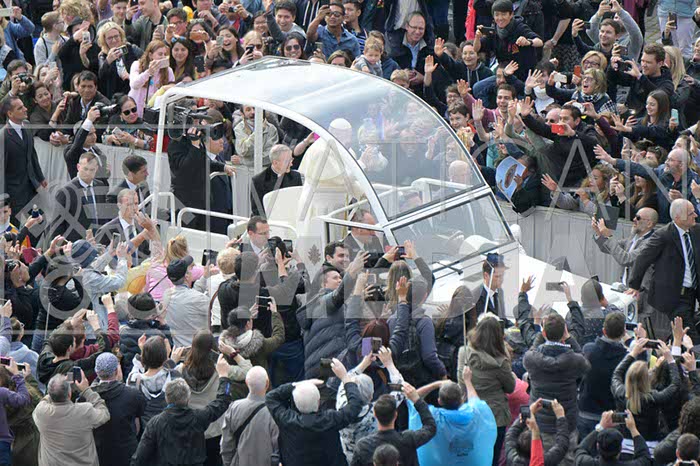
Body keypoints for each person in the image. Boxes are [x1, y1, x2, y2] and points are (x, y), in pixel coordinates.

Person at [131, 355, 233, 465]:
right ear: (188, 398)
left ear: (167, 398)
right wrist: (224, 377)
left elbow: (139, 457)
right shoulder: (199, 417)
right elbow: (223, 400)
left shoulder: (155, 423)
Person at [265, 358, 364, 466]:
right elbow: (355, 406)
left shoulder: (287, 420)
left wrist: (298, 384)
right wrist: (345, 378)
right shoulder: (330, 420)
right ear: (318, 402)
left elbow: (271, 397)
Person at [523, 312, 591, 466]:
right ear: (564, 333)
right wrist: (570, 338)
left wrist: (541, 334)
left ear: (544, 333)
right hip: (567, 421)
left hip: (540, 423)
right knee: (568, 459)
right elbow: (585, 363)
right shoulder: (575, 360)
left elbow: (532, 350)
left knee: (540, 460)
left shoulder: (531, 359)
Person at [627, 199, 700, 341]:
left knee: (681, 336)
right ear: (678, 217)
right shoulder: (663, 235)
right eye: (691, 213)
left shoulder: (696, 231)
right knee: (690, 337)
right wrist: (634, 286)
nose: (695, 215)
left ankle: (675, 352)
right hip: (674, 296)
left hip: (692, 294)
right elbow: (642, 259)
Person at [457, 315, 515, 464]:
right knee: (492, 458)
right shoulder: (501, 362)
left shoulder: (464, 353)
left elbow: (461, 383)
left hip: (470, 412)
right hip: (495, 416)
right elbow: (510, 387)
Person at [411, 367, 497, 465]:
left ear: (439, 401)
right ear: (462, 399)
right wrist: (468, 381)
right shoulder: (476, 414)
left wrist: (437, 384)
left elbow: (413, 398)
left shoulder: (432, 417)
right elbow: (475, 401)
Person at [297, 252, 364, 378]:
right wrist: (352, 273)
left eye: (340, 278)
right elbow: (338, 295)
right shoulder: (322, 302)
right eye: (335, 278)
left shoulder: (338, 304)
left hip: (329, 366)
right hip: (326, 369)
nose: (339, 280)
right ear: (323, 284)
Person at [168, 116, 235, 230]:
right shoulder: (175, 144)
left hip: (202, 201)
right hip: (184, 203)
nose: (198, 124)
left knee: (203, 236)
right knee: (186, 236)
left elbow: (204, 161)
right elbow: (185, 170)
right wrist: (195, 146)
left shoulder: (197, 140)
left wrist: (222, 167)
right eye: (194, 120)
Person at [33, 370, 111, 466]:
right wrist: (86, 390)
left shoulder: (41, 412)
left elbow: (44, 400)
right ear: (69, 395)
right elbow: (104, 414)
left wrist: (57, 388)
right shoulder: (84, 411)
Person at [611, 337, 680, 442]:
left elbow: (617, 373)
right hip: (649, 442)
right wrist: (670, 359)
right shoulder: (654, 397)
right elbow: (675, 384)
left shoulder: (620, 392)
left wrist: (633, 353)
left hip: (625, 440)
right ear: (647, 379)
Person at [351, 382, 437, 466]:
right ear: (395, 415)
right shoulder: (408, 439)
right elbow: (430, 427)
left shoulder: (364, 446)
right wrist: (417, 400)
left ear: (375, 414)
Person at [576, 312, 629, 439]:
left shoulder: (588, 350)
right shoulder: (626, 358)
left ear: (604, 331)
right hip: (611, 416)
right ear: (624, 333)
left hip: (586, 411)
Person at [91, 352, 146, 466]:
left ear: (97, 372)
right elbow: (137, 427)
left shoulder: (88, 397)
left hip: (99, 455)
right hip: (126, 455)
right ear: (117, 370)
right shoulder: (133, 395)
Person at [220, 366, 279, 466]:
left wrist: (229, 463)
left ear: (247, 383)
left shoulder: (234, 408)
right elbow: (277, 447)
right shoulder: (274, 412)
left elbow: (226, 444)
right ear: (267, 383)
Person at [0, 96, 46, 224]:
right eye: (20, 108)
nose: (25, 109)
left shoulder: (27, 125)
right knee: (16, 229)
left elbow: (32, 154)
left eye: (23, 106)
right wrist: (3, 199)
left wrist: (40, 177)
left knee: (40, 224)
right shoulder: (3, 136)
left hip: (32, 187)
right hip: (14, 193)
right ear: (10, 113)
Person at [50, 152, 108, 242]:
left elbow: (102, 216)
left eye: (92, 170)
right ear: (78, 167)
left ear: (96, 169)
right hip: (74, 244)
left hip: (97, 242)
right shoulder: (65, 192)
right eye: (85, 169)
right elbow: (57, 226)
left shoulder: (100, 186)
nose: (88, 173)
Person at [608, 43, 675, 115]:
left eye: (648, 62)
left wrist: (640, 77)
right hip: (630, 116)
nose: (644, 65)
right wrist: (613, 66)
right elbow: (614, 79)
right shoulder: (638, 75)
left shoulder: (667, 83)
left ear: (660, 64)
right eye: (642, 61)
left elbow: (658, 96)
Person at [162, 256, 211, 348]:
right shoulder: (199, 299)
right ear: (187, 276)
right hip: (198, 350)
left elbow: (188, 295)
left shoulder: (166, 295)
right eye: (190, 270)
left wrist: (204, 277)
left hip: (177, 350)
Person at [505, 398, 570, 466]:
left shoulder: (512, 458)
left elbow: (510, 435)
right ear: (539, 447)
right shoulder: (545, 461)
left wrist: (525, 416)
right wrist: (561, 417)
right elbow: (562, 444)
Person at [119, 292, 171, 376]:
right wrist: (162, 322)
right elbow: (169, 351)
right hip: (152, 377)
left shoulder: (123, 331)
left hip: (130, 375)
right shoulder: (157, 335)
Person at [574, 411, 652, 466]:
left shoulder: (585, 463)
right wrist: (633, 429)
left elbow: (580, 449)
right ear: (620, 448)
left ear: (597, 446)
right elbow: (645, 458)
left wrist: (600, 427)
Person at [95, 189, 151, 265]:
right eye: (129, 204)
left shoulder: (141, 227)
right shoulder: (106, 230)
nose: (134, 208)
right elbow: (97, 260)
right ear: (119, 205)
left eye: (136, 204)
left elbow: (146, 255)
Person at [250, 144, 303, 217]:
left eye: (291, 159)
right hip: (268, 221)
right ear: (275, 163)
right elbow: (258, 211)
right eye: (287, 161)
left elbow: (298, 203)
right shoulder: (258, 180)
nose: (291, 164)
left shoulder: (296, 176)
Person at [63, 108, 111, 184]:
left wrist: (106, 172)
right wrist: (89, 120)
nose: (94, 137)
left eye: (94, 133)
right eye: (89, 134)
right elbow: (78, 143)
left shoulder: (95, 149)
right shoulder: (72, 151)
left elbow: (101, 176)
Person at [97, 21, 143, 99]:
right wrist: (108, 61)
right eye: (110, 38)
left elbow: (145, 61)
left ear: (121, 36)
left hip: (133, 92)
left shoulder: (131, 49)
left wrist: (130, 76)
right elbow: (101, 76)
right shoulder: (103, 55)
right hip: (114, 95)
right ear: (104, 40)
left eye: (116, 36)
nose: (114, 40)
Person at [128, 39, 174, 117]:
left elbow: (171, 88)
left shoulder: (168, 71)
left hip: (154, 112)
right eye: (160, 54)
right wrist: (148, 72)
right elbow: (134, 85)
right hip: (136, 109)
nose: (163, 57)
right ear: (150, 55)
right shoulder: (137, 65)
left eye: (165, 54)